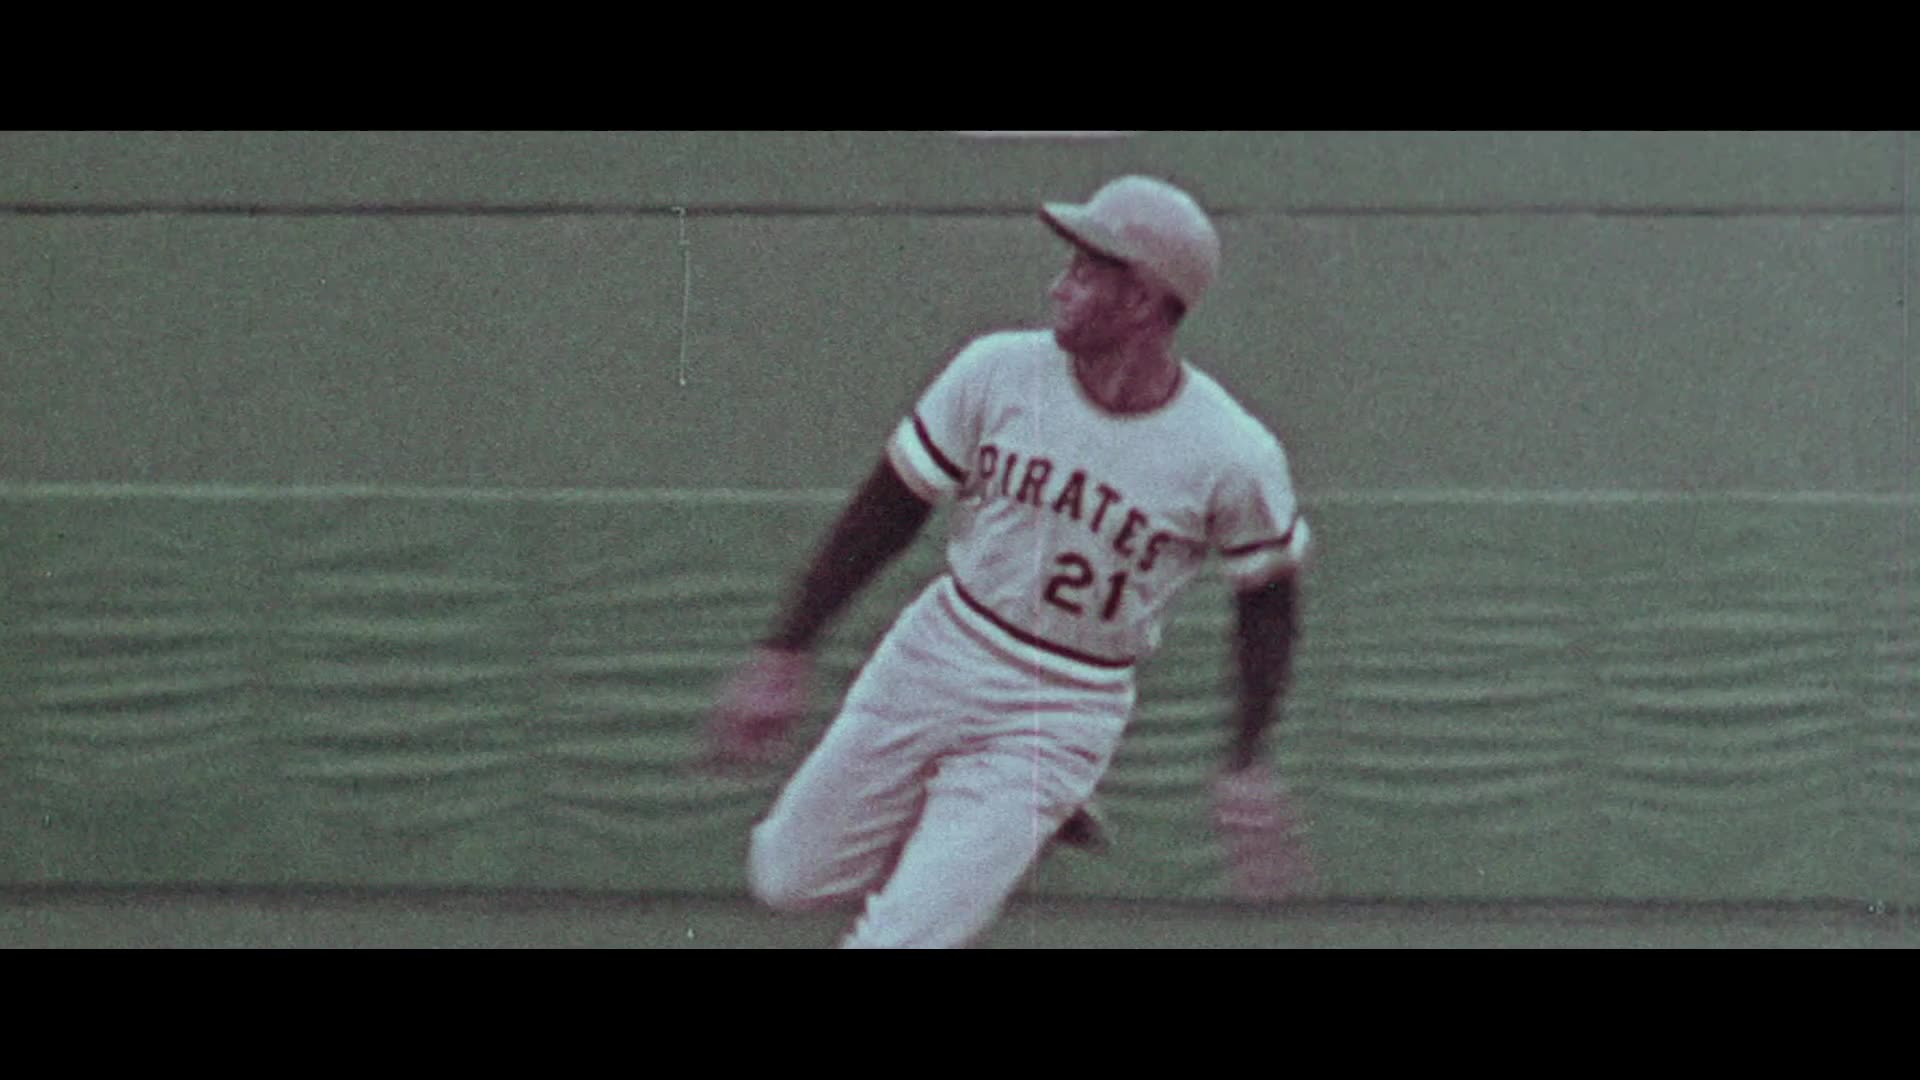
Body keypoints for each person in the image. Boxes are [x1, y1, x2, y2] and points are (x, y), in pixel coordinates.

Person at [708, 175, 1315, 948]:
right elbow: (889, 510)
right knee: (784, 875)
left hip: (1064, 704)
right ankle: (963, 829)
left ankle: (997, 823)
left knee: (902, 939)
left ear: (1141, 304)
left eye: (1088, 271)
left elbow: (1268, 602)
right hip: (945, 644)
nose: (1059, 286)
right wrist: (787, 648)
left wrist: (1247, 759)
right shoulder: (995, 371)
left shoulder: (1231, 451)